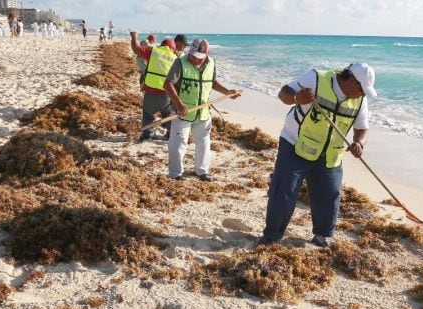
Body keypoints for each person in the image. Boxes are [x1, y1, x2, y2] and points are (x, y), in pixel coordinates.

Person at [257, 63, 377, 248]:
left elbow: (362, 129)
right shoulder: (316, 78)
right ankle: (272, 237)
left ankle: (322, 236)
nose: (363, 94)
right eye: (362, 88)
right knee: (285, 192)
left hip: (330, 153)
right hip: (295, 145)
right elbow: (283, 94)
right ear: (351, 80)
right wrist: (298, 98)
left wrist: (359, 143)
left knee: (329, 194)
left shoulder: (360, 100)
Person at [164, 38, 241, 181]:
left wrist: (227, 92)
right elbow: (168, 84)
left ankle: (202, 171)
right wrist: (179, 104)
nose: (195, 59)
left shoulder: (211, 63)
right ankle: (175, 174)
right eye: (193, 55)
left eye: (199, 57)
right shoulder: (180, 62)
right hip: (183, 112)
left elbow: (212, 82)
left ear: (206, 54)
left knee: (204, 142)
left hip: (203, 112)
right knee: (178, 142)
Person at [130, 31, 177, 142]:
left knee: (148, 115)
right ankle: (170, 135)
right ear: (172, 48)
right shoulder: (176, 58)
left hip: (150, 93)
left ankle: (147, 135)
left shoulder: (153, 51)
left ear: (162, 45)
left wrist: (134, 36)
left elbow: (136, 49)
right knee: (168, 115)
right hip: (166, 95)